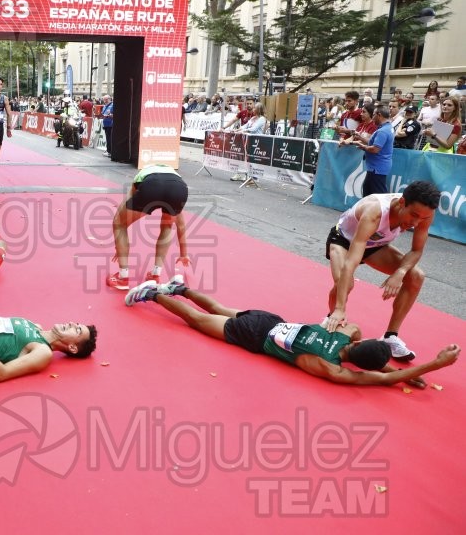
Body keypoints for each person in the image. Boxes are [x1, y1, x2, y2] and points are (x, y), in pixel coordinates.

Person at [123, 277, 460, 387]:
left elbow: (374, 360)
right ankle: (155, 294)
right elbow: (380, 378)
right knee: (197, 322)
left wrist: (398, 371)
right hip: (253, 337)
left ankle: (180, 288)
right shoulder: (326, 365)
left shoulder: (347, 331)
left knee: (218, 308)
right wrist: (432, 365)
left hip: (269, 318)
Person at [324, 180, 441, 362]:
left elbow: (417, 250)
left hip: (375, 246)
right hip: (344, 241)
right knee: (344, 284)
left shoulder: (426, 215)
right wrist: (340, 308)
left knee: (416, 276)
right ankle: (332, 321)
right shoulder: (375, 212)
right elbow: (352, 261)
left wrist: (400, 272)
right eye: (414, 215)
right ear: (402, 202)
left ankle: (390, 337)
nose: (416, 222)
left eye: (423, 219)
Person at [108, 164, 189, 290]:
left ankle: (123, 277)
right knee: (168, 225)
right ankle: (155, 275)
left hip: (152, 185)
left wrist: (119, 247)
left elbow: (122, 215)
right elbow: (181, 224)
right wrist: (184, 253)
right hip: (179, 189)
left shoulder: (142, 174)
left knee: (119, 223)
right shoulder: (175, 177)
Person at [341, 106, 392, 196]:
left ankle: (382, 210)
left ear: (379, 115)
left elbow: (375, 149)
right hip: (376, 168)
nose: (372, 118)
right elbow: (373, 143)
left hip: (377, 168)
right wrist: (360, 138)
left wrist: (363, 146)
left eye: (373, 115)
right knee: (368, 192)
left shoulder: (382, 131)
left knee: (377, 196)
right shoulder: (387, 128)